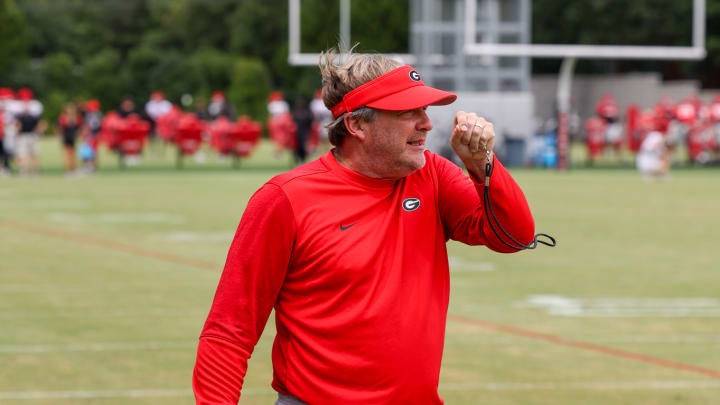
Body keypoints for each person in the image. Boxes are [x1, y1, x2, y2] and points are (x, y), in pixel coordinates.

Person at [192, 49, 536, 405]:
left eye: (425, 110)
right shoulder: (285, 198)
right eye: (408, 112)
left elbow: (514, 236)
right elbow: (229, 332)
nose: (427, 123)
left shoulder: (432, 175)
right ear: (357, 125)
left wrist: (483, 165)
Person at [58, 102, 82, 173]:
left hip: (73, 137)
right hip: (66, 136)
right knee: (67, 154)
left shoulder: (76, 118)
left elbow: (78, 127)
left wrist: (78, 134)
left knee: (73, 153)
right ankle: (68, 169)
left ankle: (73, 168)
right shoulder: (62, 118)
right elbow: (60, 127)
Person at [291, 96, 313, 164]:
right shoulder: (295, 113)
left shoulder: (307, 113)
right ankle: (296, 160)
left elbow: (310, 123)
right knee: (296, 147)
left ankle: (303, 160)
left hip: (304, 133)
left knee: (303, 147)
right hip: (296, 133)